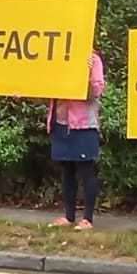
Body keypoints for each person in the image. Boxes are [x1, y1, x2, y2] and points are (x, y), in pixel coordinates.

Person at [47, 49, 106, 229]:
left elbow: (96, 91)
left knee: (86, 170)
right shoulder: (56, 56)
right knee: (67, 171)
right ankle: (69, 216)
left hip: (83, 124)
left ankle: (87, 218)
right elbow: (47, 88)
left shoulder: (92, 59)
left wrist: (85, 74)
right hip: (61, 122)